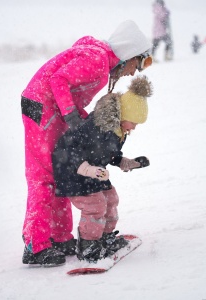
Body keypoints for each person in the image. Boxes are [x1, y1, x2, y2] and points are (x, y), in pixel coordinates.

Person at [20, 20, 153, 267]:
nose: (135, 72)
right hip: (43, 107)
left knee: (61, 172)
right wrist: (71, 113)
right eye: (139, 62)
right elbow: (58, 80)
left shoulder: (99, 57)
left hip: (50, 108)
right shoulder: (98, 61)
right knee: (45, 176)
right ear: (128, 54)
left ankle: (59, 238)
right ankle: (35, 245)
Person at [52, 75, 153, 263]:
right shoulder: (96, 127)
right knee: (95, 205)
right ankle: (88, 246)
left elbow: (106, 153)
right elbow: (69, 148)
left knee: (110, 198)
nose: (134, 127)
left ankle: (105, 237)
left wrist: (126, 162)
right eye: (134, 122)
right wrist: (86, 169)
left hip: (95, 171)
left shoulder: (117, 130)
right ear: (125, 116)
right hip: (72, 171)